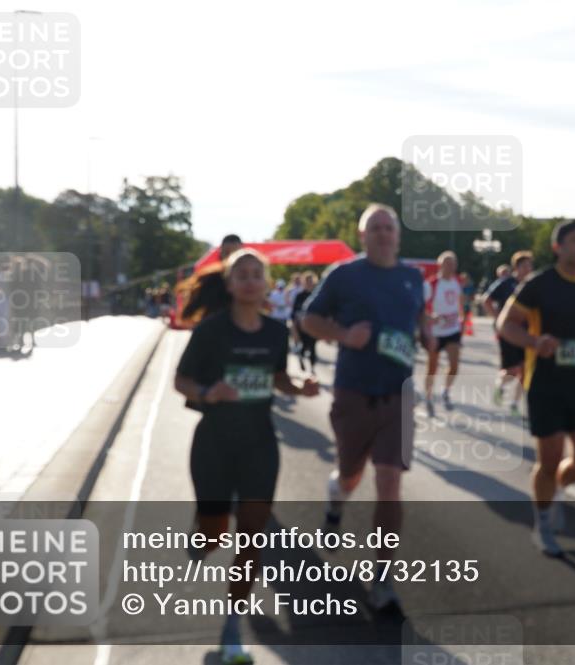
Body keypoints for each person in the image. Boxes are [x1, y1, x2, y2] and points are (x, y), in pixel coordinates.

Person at [174, 248, 320, 664]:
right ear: (230, 284)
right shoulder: (211, 331)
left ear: (266, 283)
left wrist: (299, 387)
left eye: (258, 274)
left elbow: (278, 378)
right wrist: (208, 392)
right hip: (214, 444)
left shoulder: (276, 332)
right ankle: (203, 530)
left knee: (253, 536)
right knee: (214, 535)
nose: (251, 281)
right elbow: (181, 380)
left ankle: (232, 625)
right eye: (243, 274)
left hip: (259, 444)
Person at [302, 203, 435, 612]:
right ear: (362, 236)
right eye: (374, 228)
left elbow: (420, 315)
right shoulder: (344, 275)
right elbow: (309, 320)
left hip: (398, 396)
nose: (382, 234)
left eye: (388, 228)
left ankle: (382, 578)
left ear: (398, 235)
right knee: (350, 474)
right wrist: (344, 335)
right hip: (354, 393)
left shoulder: (413, 278)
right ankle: (335, 499)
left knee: (390, 482)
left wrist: (427, 335)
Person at [497, 220, 575, 557]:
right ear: (558, 247)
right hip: (545, 383)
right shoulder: (539, 284)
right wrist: (534, 342)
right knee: (549, 460)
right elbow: (506, 324)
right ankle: (543, 523)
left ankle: (556, 490)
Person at [484, 251, 533, 414]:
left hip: (526, 334)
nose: (528, 269)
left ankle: (514, 403)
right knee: (512, 370)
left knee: (525, 369)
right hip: (508, 332)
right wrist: (498, 319)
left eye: (530, 266)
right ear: (516, 267)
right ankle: (500, 386)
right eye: (525, 266)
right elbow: (486, 300)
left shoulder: (531, 285)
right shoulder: (506, 283)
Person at [423, 251, 465, 416]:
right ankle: (428, 397)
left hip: (452, 330)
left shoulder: (457, 282)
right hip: (435, 332)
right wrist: (429, 318)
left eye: (453, 264)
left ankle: (446, 391)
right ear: (440, 265)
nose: (451, 267)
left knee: (454, 365)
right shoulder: (431, 284)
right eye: (447, 263)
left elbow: (460, 301)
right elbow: (419, 306)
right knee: (432, 367)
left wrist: (462, 318)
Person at [181, 234, 244, 324]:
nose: (230, 258)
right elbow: (189, 312)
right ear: (221, 253)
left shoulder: (252, 280)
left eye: (235, 254)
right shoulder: (211, 278)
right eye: (227, 253)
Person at [291, 271, 318, 373]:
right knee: (304, 345)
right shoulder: (299, 296)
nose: (309, 283)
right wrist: (294, 327)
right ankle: (301, 358)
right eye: (307, 281)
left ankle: (312, 369)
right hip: (301, 326)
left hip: (314, 326)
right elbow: (294, 312)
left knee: (313, 347)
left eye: (311, 281)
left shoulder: (317, 296)